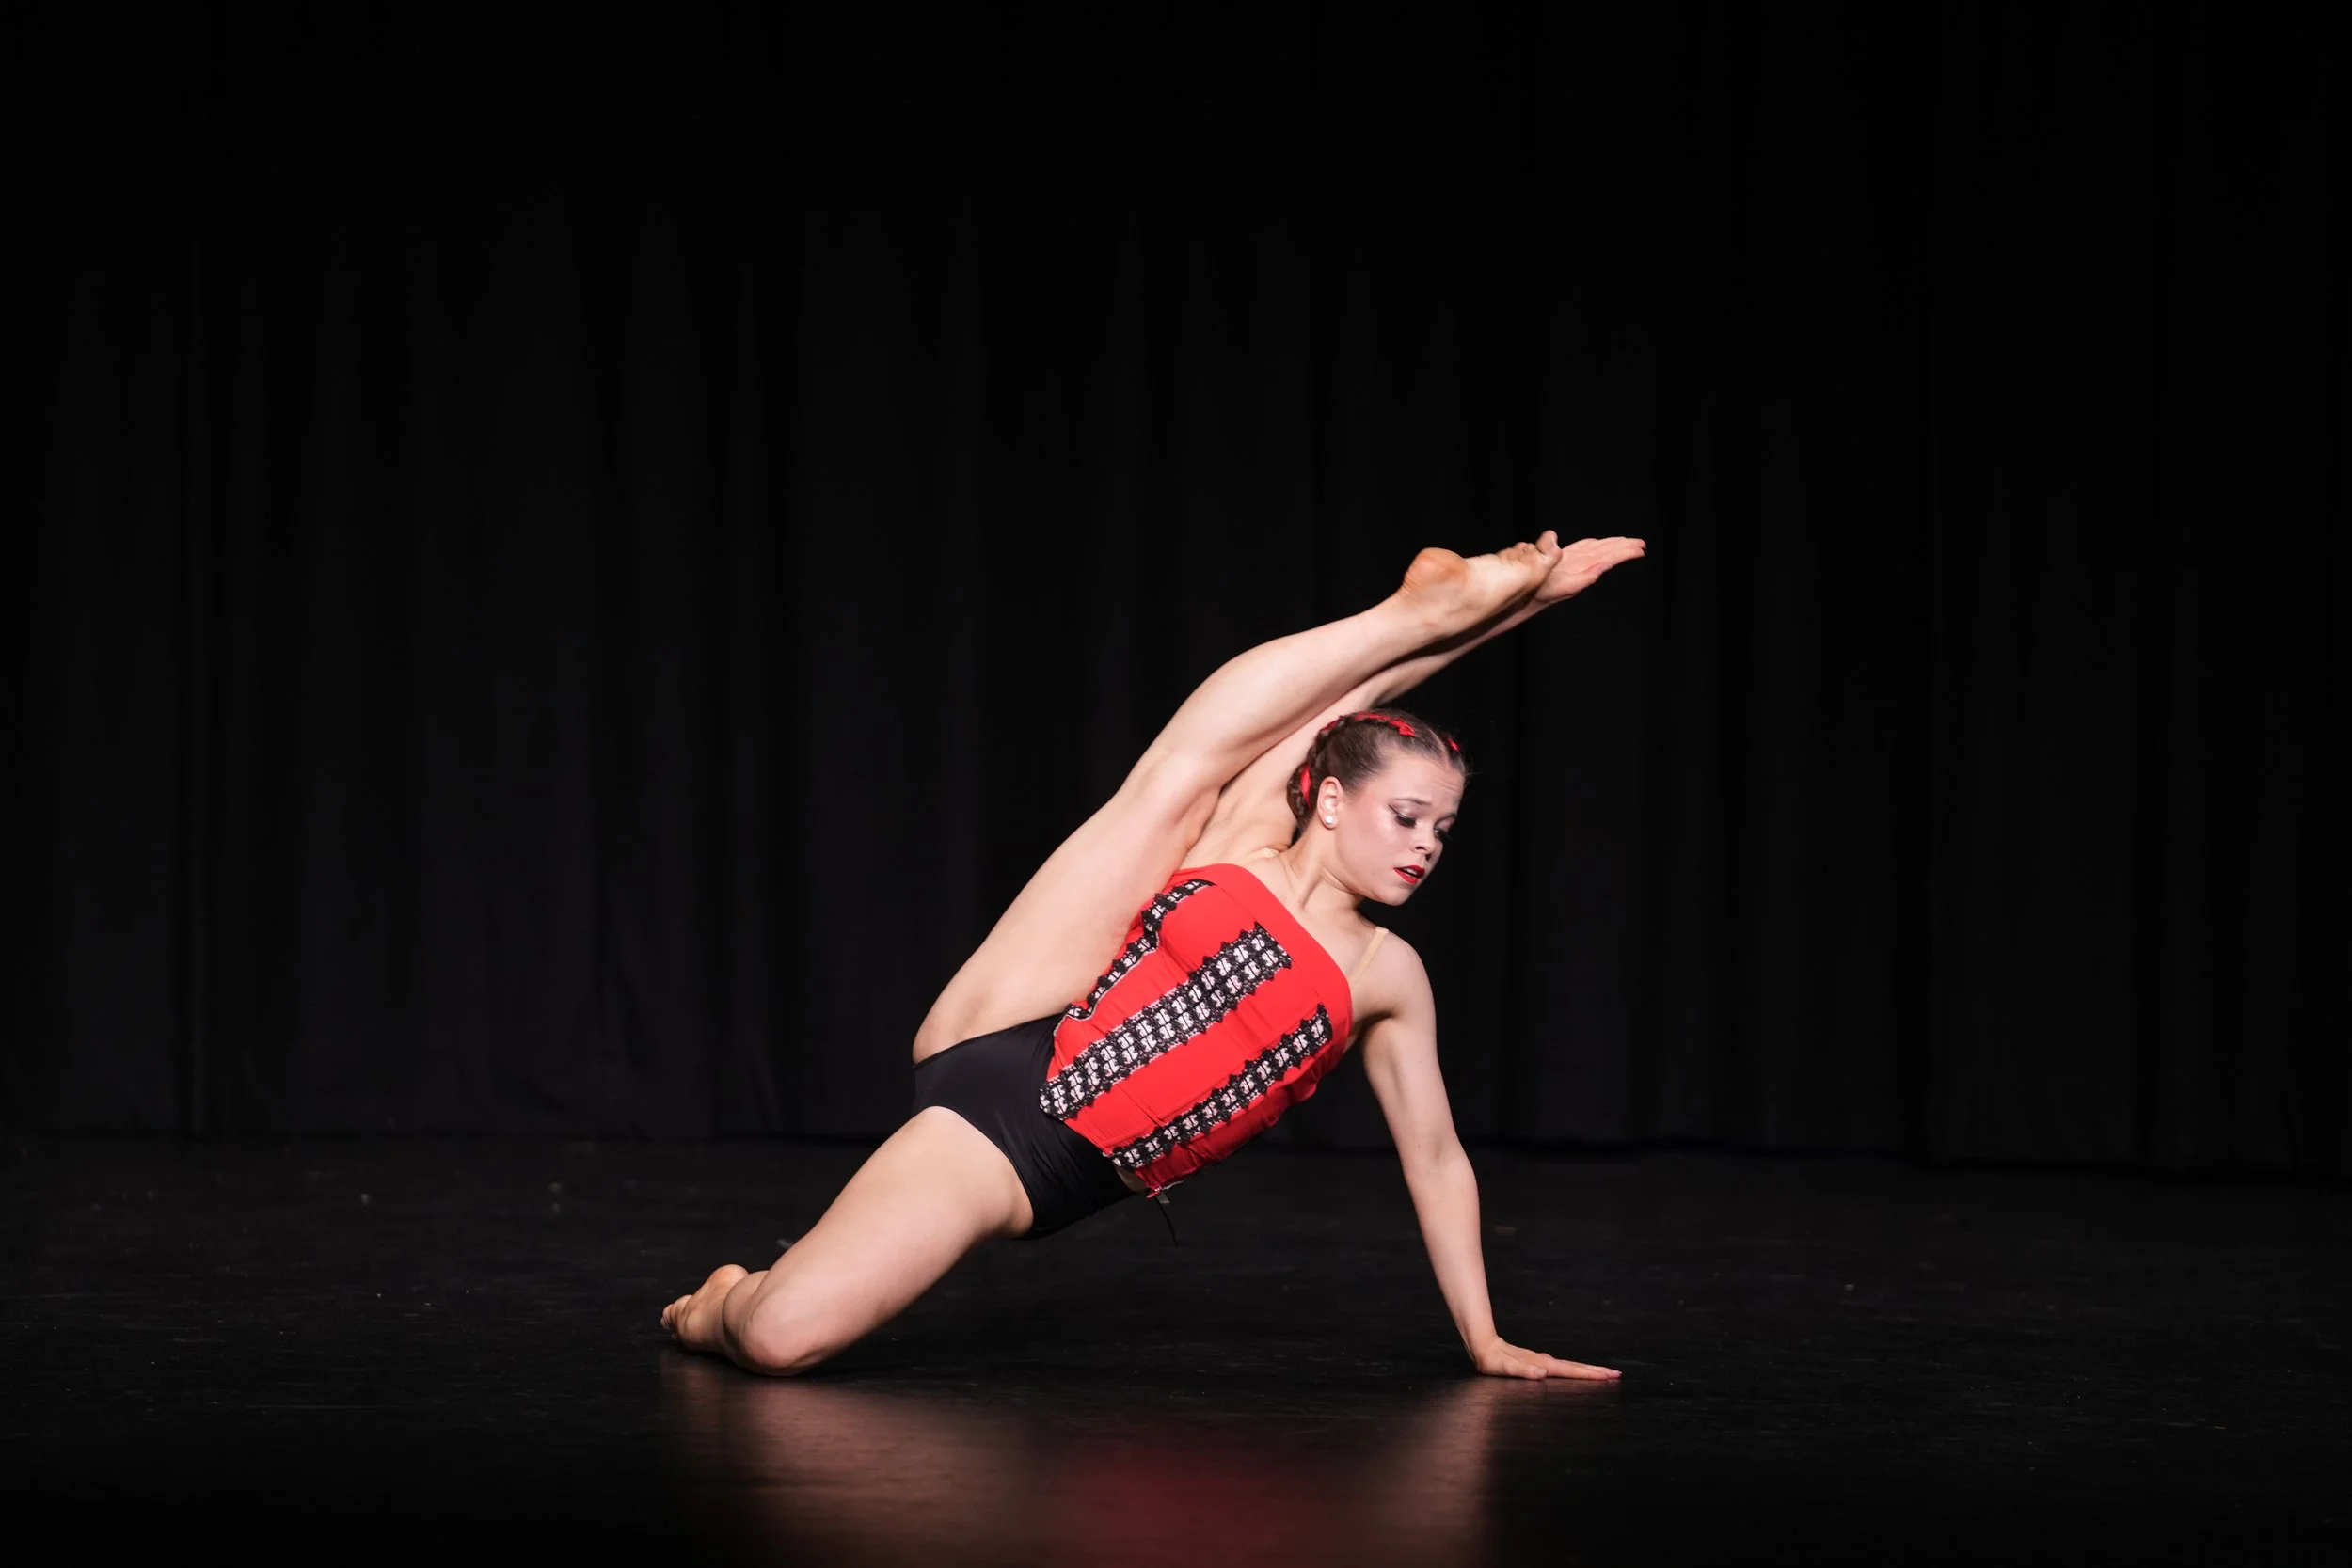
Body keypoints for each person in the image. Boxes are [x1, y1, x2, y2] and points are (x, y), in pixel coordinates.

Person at [662, 531, 1645, 1380]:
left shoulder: (1386, 975)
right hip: (1010, 1066)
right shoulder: (1250, 842)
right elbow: (1336, 714)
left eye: (1442, 827)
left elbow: (1434, 1157)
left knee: (781, 1335)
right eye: (1405, 815)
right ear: (1336, 801)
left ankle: (728, 1301)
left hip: (1051, 1167)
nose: (1425, 843)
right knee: (1175, 781)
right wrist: (1476, 610)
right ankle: (1406, 610)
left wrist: (1482, 1335)